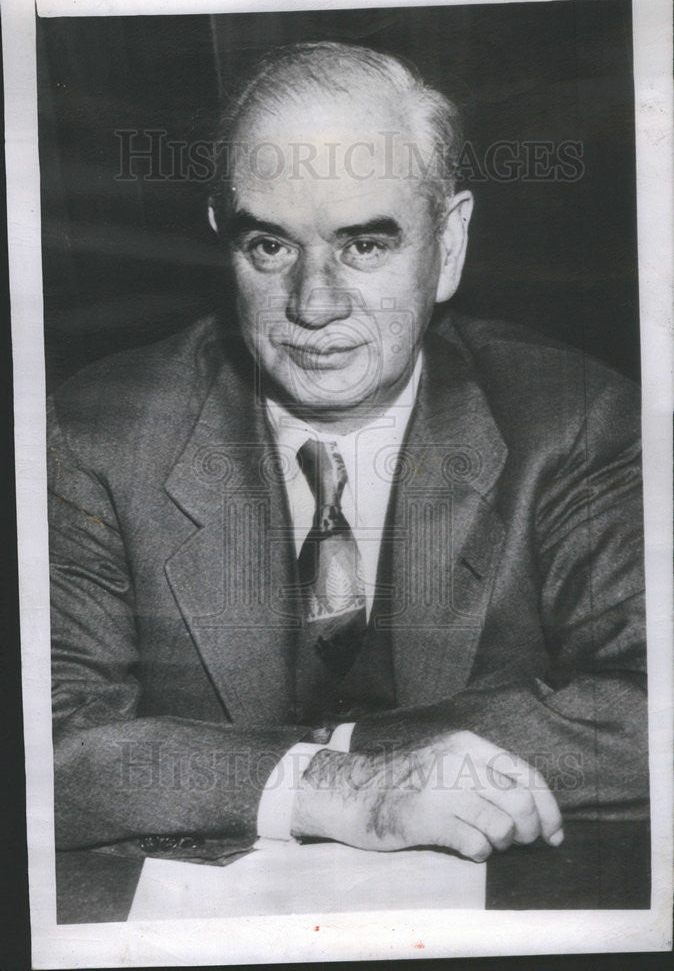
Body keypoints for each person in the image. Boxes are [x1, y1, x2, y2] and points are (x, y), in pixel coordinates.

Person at [49, 42, 647, 864]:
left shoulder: (577, 420)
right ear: (224, 238)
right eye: (271, 246)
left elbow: (653, 704)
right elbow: (47, 744)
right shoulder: (95, 433)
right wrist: (339, 785)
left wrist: (329, 759)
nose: (314, 302)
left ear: (450, 243)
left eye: (365, 245)